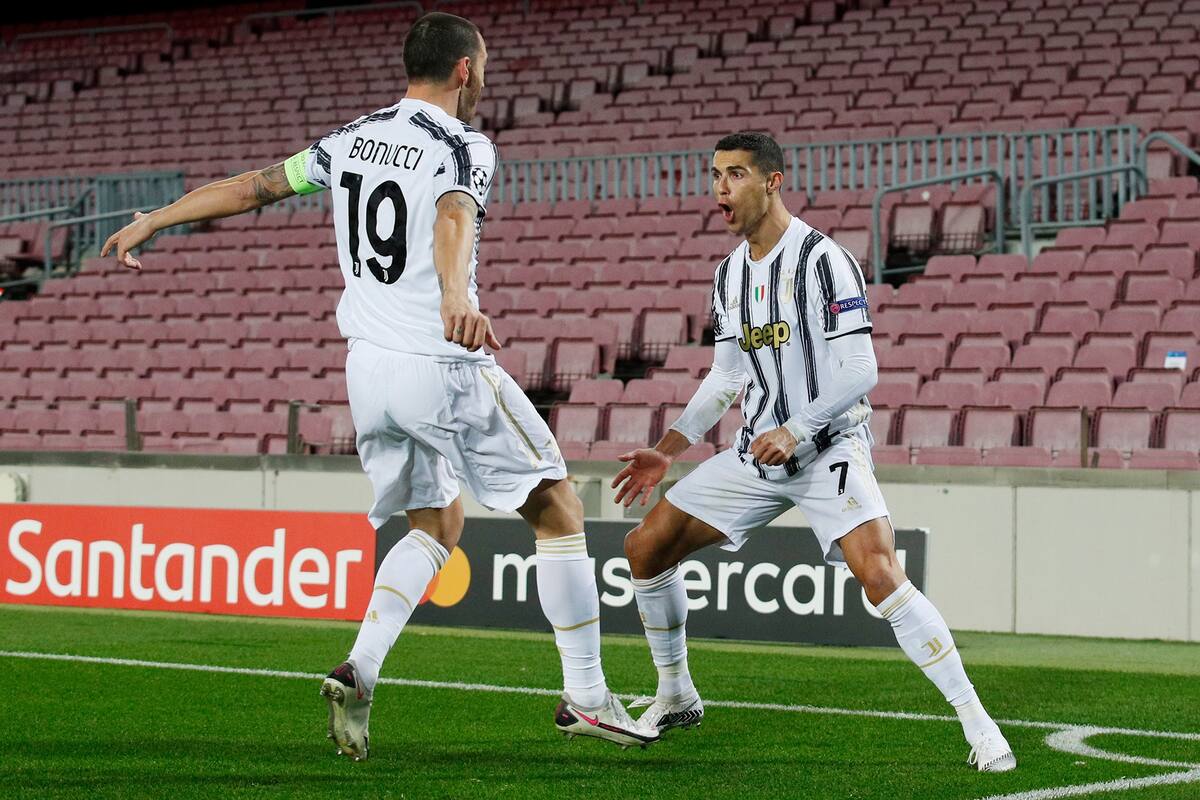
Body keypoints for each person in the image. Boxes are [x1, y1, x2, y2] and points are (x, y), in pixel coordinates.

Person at [101, 11, 657, 762]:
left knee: (435, 526)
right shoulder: (464, 145)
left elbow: (257, 186)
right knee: (557, 508)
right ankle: (588, 697)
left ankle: (359, 670)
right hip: (441, 364)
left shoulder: (350, 138)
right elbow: (454, 214)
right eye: (483, 64)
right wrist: (456, 294)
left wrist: (156, 221)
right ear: (464, 69)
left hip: (368, 372)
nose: (486, 76)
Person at [610, 131, 1016, 773]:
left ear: (772, 181)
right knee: (644, 546)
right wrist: (668, 450)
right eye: (715, 175)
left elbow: (860, 369)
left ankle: (980, 724)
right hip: (756, 454)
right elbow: (725, 377)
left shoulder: (825, 260)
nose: (720, 188)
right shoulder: (728, 274)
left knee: (880, 574)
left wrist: (797, 429)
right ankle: (676, 693)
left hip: (826, 446)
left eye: (735, 174)